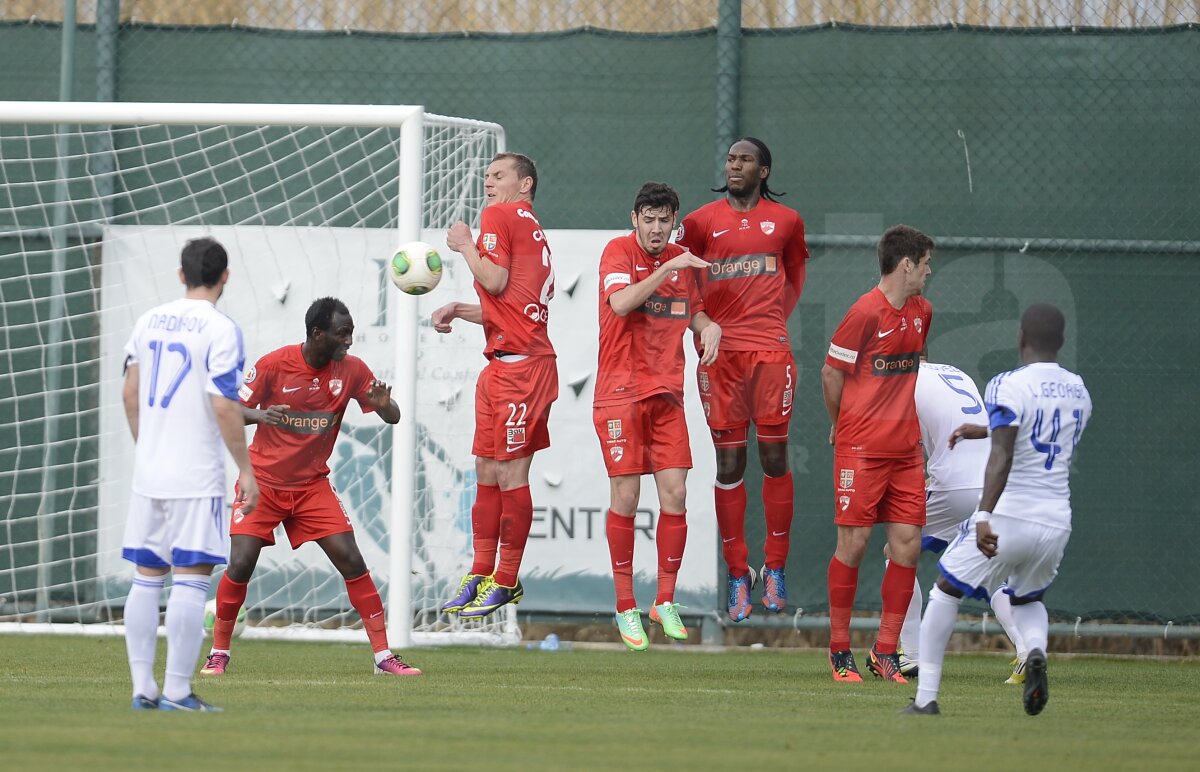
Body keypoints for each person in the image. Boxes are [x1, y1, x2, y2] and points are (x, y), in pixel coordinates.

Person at [202, 297, 421, 677]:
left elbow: (394, 416)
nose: (349, 341)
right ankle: (219, 653)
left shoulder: (352, 370)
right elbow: (229, 409)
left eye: (350, 332)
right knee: (240, 563)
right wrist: (260, 414)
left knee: (352, 560)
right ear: (317, 334)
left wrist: (385, 405)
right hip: (263, 484)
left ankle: (384, 657)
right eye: (342, 333)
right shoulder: (274, 365)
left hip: (311, 487)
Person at [902, 303, 1092, 716]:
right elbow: (1041, 428)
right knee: (1026, 600)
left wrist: (984, 514)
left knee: (945, 591)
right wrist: (984, 426)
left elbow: (1003, 454)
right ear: (1061, 342)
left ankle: (926, 698)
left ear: (1020, 337)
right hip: (1057, 520)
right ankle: (1035, 650)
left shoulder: (1007, 384)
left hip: (1011, 514)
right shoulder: (1079, 389)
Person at [121, 237, 259, 712]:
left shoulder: (148, 320)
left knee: (146, 577)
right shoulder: (221, 329)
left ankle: (143, 689)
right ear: (225, 277)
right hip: (195, 472)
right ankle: (177, 691)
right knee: (191, 579)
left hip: (150, 471)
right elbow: (223, 404)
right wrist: (245, 468)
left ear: (181, 274)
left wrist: (149, 448)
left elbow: (130, 393)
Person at [677, 137, 810, 622]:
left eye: (745, 160)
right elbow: (681, 278)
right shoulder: (699, 221)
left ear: (765, 170)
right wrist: (702, 321)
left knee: (775, 455)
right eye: (731, 159)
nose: (735, 165)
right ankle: (739, 572)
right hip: (721, 358)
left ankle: (774, 567)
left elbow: (795, 273)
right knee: (730, 465)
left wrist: (773, 320)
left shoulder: (788, 222)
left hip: (771, 352)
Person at [593, 182, 721, 650]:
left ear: (673, 221)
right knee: (626, 498)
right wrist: (668, 266)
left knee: (676, 492)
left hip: (667, 395)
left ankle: (663, 601)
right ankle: (626, 606)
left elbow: (697, 315)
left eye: (663, 219)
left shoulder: (684, 266)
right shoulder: (617, 252)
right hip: (620, 394)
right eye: (647, 218)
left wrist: (710, 327)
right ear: (634, 219)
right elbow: (621, 303)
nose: (655, 227)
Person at [432, 152, 558, 618]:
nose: (489, 182)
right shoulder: (527, 224)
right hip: (503, 366)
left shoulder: (500, 214)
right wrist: (461, 310)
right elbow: (511, 302)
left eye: (499, 175)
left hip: (523, 371)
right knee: (485, 471)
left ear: (525, 183)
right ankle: (482, 571)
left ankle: (507, 579)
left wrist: (465, 244)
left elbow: (495, 278)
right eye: (486, 176)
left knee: (509, 475)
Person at [820, 224, 934, 683]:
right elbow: (831, 375)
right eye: (925, 264)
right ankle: (839, 649)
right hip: (861, 450)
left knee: (907, 548)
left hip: (906, 452)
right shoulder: (864, 312)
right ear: (906, 264)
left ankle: (886, 651)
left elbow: (916, 368)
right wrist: (839, 426)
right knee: (855, 545)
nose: (929, 272)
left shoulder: (923, 311)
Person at [895, 360, 1030, 681]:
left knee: (897, 553)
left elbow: (906, 443)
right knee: (992, 572)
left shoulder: (904, 376)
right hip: (991, 482)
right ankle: (1027, 649)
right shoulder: (955, 372)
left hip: (953, 483)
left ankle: (909, 652)